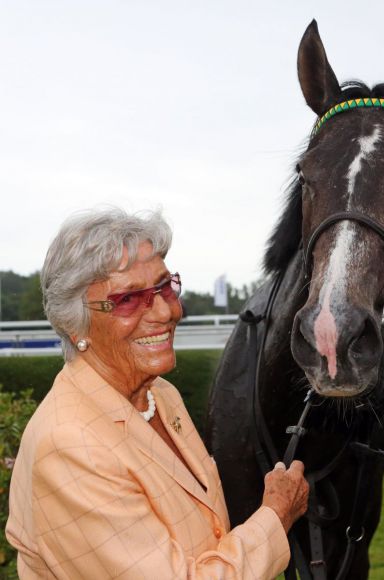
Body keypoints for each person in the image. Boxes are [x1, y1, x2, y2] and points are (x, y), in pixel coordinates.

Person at [6, 208, 309, 579]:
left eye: (165, 287)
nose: (166, 311)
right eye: (129, 299)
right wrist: (275, 516)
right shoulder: (70, 445)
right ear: (74, 324)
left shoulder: (160, 394)